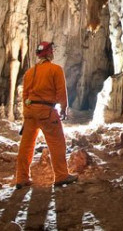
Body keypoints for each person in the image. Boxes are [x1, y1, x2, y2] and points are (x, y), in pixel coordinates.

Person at [14, 41, 78, 188]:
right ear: (49, 53)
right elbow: (61, 91)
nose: (53, 52)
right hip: (46, 112)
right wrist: (63, 108)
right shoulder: (55, 69)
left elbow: (25, 95)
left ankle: (21, 178)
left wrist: (26, 112)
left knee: (26, 145)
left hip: (30, 112)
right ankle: (61, 175)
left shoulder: (30, 72)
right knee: (57, 143)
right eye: (52, 51)